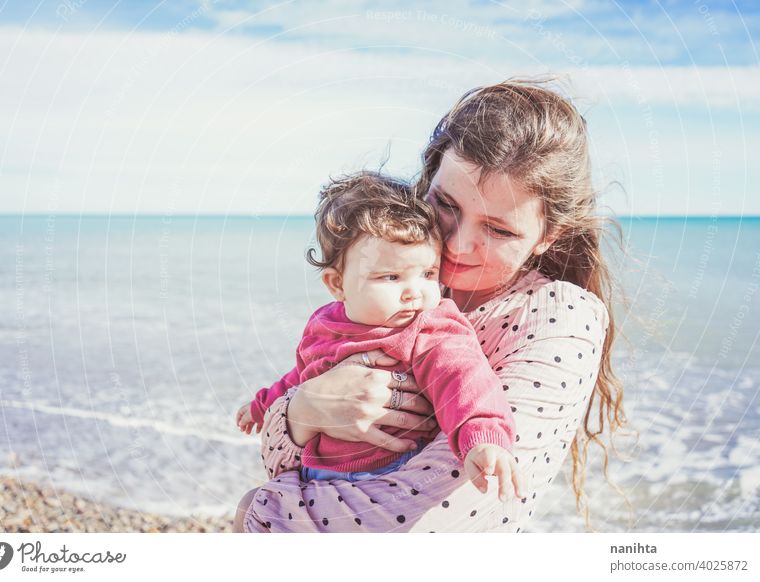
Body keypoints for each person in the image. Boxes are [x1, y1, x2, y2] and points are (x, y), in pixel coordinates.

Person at [235, 79, 629, 533]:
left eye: (499, 230)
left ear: (549, 236)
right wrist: (300, 410)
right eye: (445, 204)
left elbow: (440, 519)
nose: (457, 245)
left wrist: (264, 510)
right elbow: (283, 456)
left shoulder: (562, 318)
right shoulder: (406, 286)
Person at [235, 172, 523, 498]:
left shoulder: (426, 326)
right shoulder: (324, 325)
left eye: (428, 273)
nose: (414, 292)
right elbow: (304, 377)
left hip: (390, 475)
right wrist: (263, 405)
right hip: (316, 475)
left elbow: (462, 376)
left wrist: (483, 436)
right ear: (337, 284)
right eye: (391, 277)